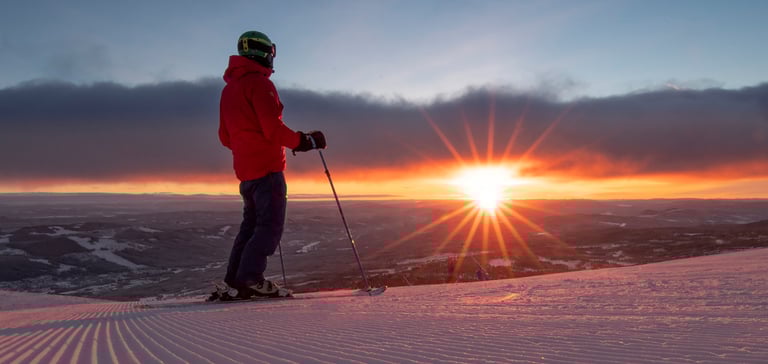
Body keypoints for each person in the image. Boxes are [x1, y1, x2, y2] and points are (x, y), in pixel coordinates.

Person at [216, 30, 326, 299]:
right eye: (271, 52)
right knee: (269, 227)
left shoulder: (229, 90)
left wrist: (247, 149)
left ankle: (234, 281)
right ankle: (251, 279)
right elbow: (272, 129)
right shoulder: (260, 84)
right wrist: (304, 141)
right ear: (264, 52)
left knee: (250, 227)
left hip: (245, 172)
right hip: (267, 169)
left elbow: (225, 137)